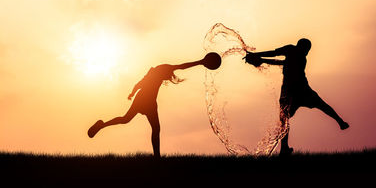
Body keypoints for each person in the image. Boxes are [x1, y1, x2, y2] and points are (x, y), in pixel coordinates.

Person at [87, 52, 221, 158]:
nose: (170, 75)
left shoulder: (155, 72)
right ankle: (156, 157)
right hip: (144, 101)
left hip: (148, 102)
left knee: (131, 121)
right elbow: (182, 65)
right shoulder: (161, 70)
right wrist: (200, 62)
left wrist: (132, 93)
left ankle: (102, 125)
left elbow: (138, 84)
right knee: (140, 124)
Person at [244, 38, 349, 155]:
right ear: (302, 47)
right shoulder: (293, 51)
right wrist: (258, 56)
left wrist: (259, 58)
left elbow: (280, 60)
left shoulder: (299, 57)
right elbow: (275, 54)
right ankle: (284, 148)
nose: (307, 52)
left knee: (287, 118)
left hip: (296, 90)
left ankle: (340, 122)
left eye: (308, 50)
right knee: (289, 117)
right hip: (298, 90)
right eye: (307, 49)